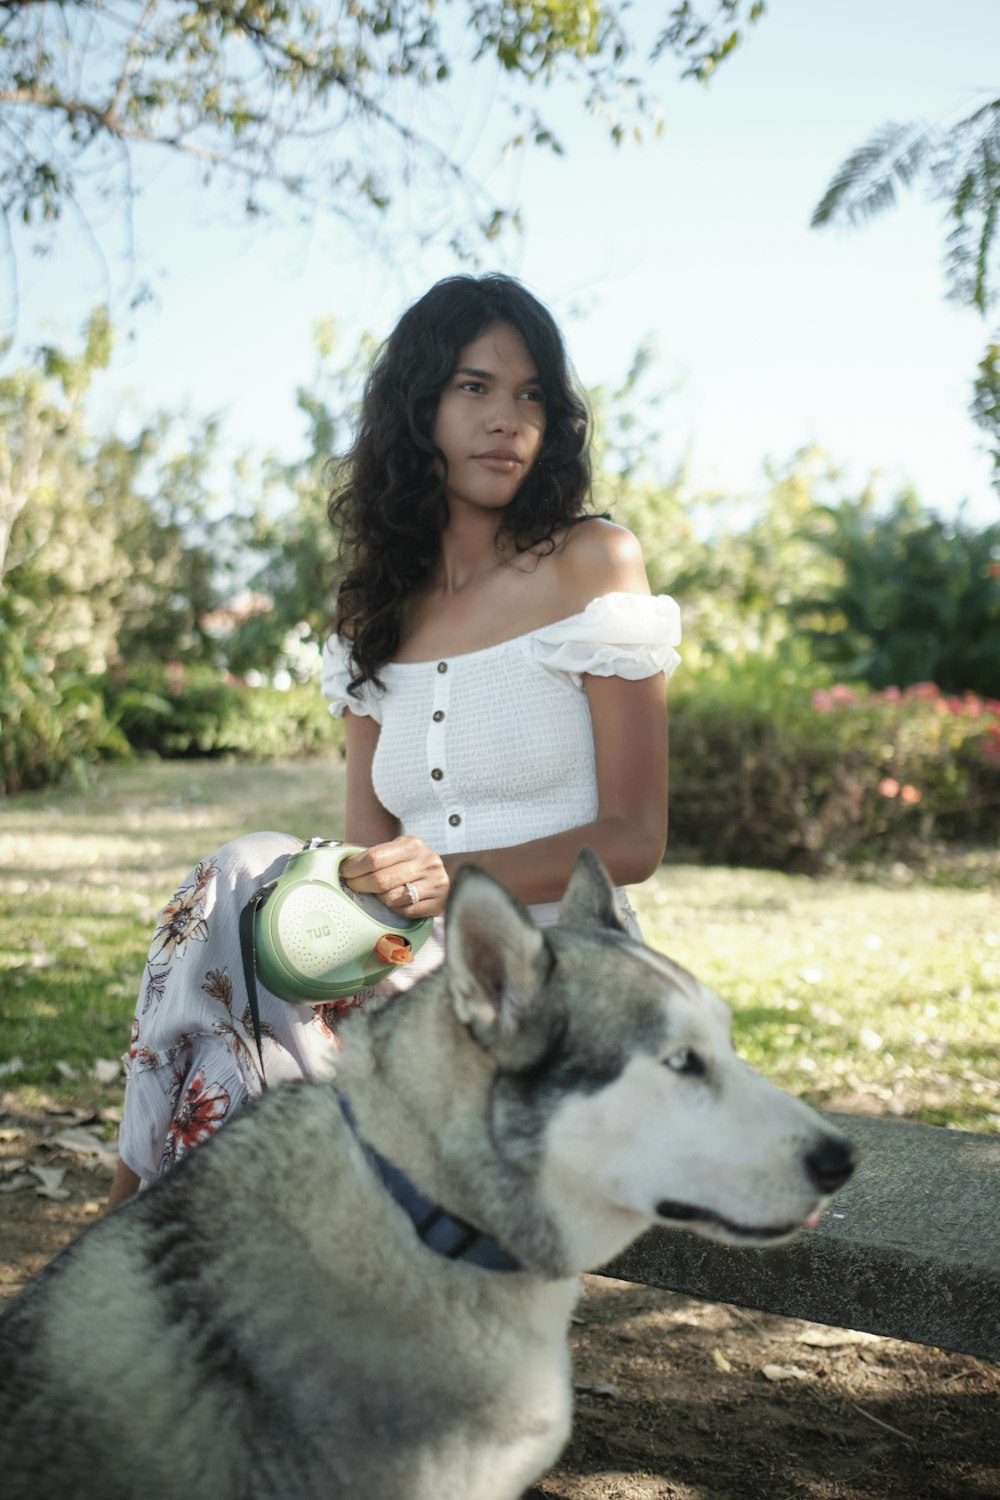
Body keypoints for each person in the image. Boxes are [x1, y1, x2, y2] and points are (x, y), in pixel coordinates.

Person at [107, 273, 680, 1208]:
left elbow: (634, 840)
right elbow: (367, 854)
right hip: (404, 961)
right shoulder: (371, 609)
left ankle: (131, 1233)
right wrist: (366, 890)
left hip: (555, 968)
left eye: (531, 394)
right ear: (418, 408)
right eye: (475, 387)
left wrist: (454, 872)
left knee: (242, 959)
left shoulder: (592, 561)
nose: (507, 419)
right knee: (237, 893)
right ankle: (160, 1234)